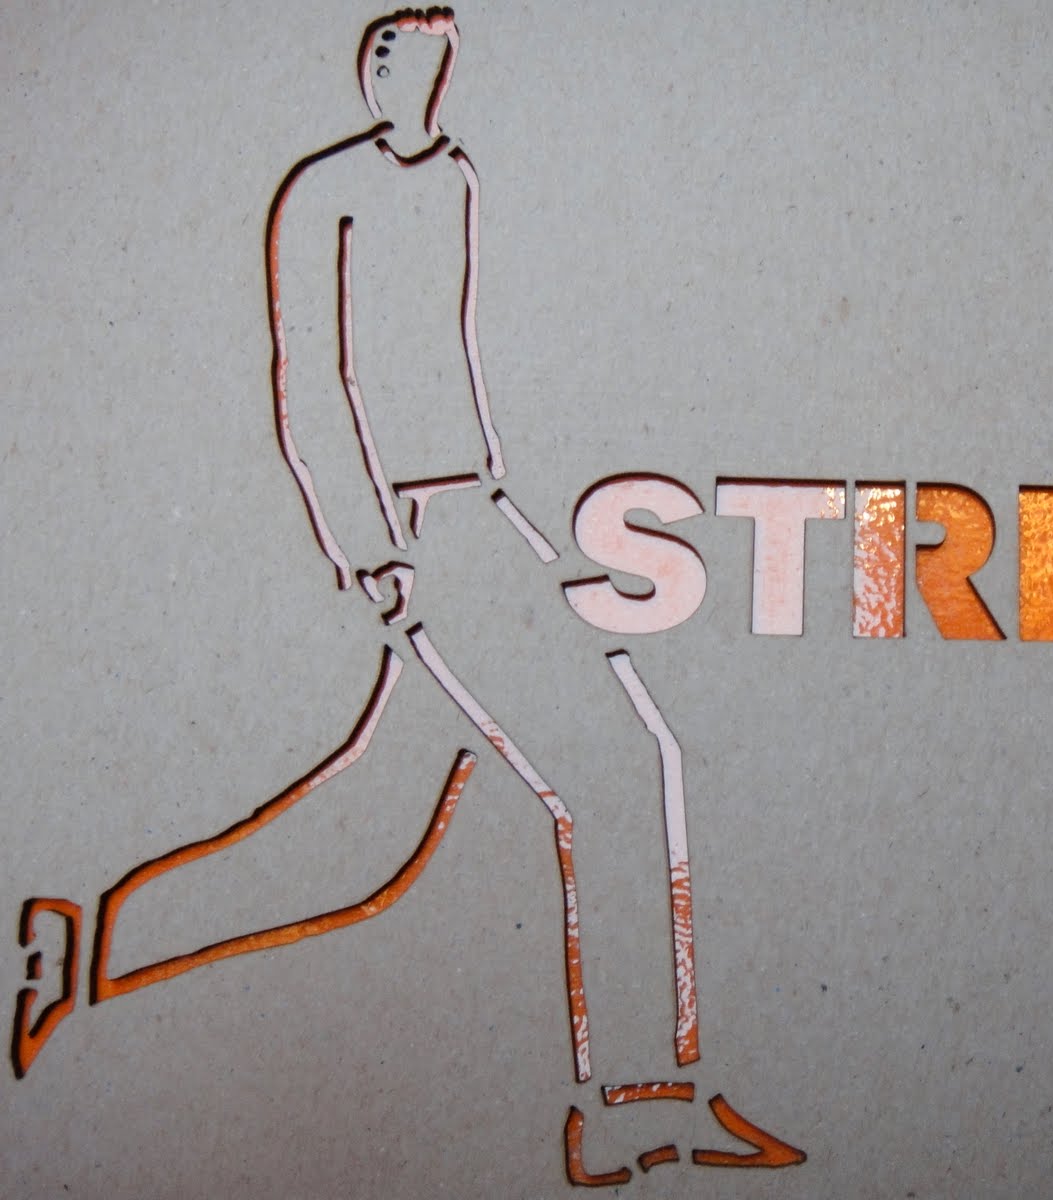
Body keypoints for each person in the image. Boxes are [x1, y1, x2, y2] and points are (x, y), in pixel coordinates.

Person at [12, 9, 802, 1184]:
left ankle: (86, 951)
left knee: (369, 834)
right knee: (618, 764)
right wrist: (372, 546)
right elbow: (313, 379)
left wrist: (523, 529)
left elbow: (453, 364)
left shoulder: (455, 179)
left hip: (480, 516)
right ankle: (634, 1108)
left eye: (425, 47)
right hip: (418, 531)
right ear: (369, 69)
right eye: (389, 48)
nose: (408, 67)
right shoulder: (320, 191)